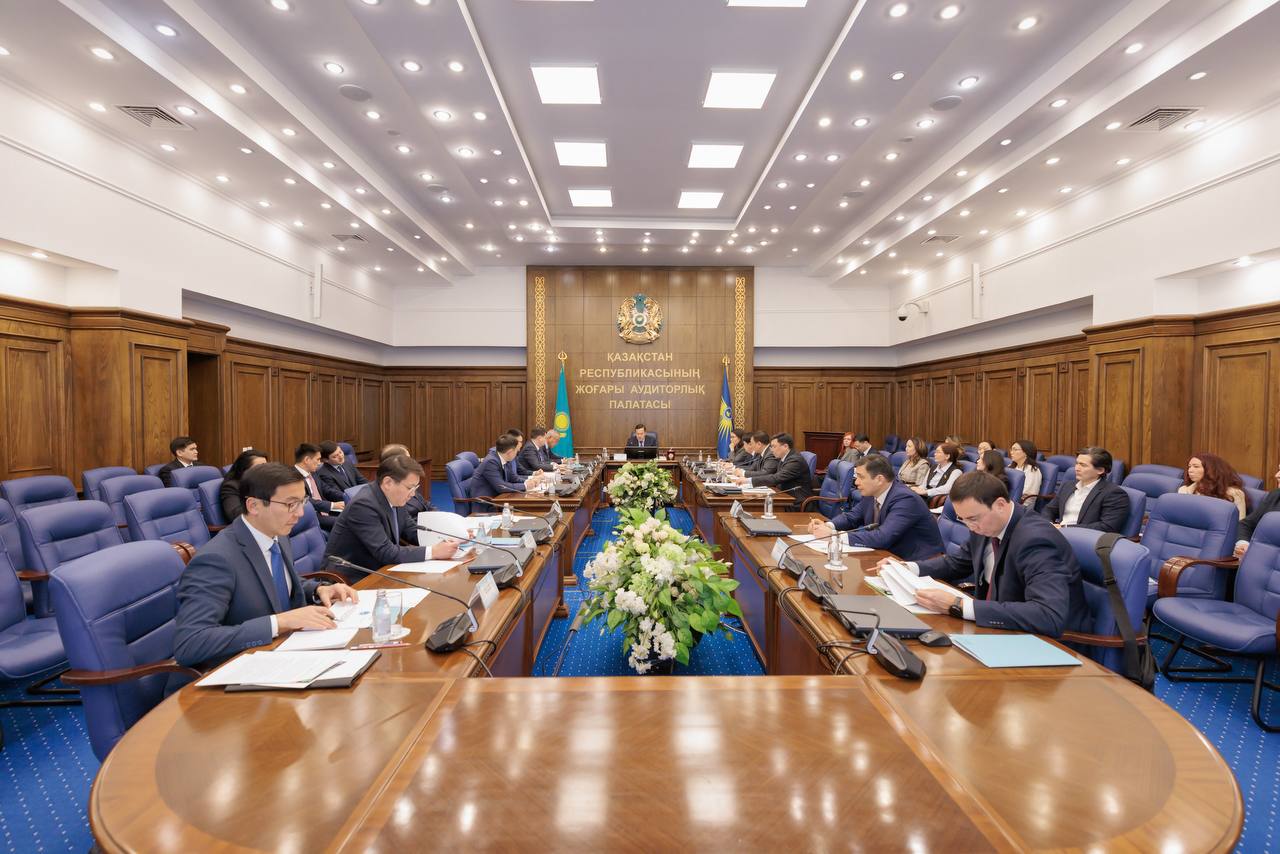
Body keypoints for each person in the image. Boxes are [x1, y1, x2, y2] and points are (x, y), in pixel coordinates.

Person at [173, 463, 358, 670]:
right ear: (253, 506)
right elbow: (190, 643)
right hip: (238, 669)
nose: (300, 513)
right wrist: (279, 622)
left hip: (287, 652)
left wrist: (318, 590)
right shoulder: (216, 560)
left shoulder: (277, 534)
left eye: (302, 502)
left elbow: (275, 582)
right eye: (291, 504)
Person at [875, 471, 1090, 638]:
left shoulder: (1036, 540)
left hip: (1044, 644)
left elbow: (1048, 615)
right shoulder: (986, 525)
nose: (970, 527)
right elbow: (957, 563)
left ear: (1000, 505)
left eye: (973, 519)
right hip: (998, 629)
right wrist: (908, 568)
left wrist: (959, 606)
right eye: (963, 520)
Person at [324, 454, 460, 578]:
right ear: (388, 483)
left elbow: (411, 530)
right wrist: (433, 552)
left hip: (380, 569)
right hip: (351, 578)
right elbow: (385, 551)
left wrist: (449, 537)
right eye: (410, 488)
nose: (413, 494)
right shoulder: (363, 505)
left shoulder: (394, 497)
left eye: (415, 488)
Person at [808, 454, 942, 560]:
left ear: (879, 479)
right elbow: (852, 517)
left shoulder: (906, 499)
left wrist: (834, 536)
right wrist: (828, 526)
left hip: (916, 564)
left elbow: (882, 537)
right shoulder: (872, 493)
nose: (856, 482)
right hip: (886, 556)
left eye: (861, 477)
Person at [1040, 447, 1129, 533]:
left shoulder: (1113, 493)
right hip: (1057, 533)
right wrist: (1049, 524)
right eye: (1077, 463)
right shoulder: (1068, 486)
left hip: (1084, 538)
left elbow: (1107, 526)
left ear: (1100, 470)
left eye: (1083, 465)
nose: (1076, 468)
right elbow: (1049, 509)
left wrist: (1065, 528)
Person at [470, 434, 546, 511]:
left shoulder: (505, 458)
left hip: (499, 499)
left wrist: (531, 480)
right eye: (516, 451)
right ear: (510, 452)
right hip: (486, 504)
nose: (517, 452)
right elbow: (501, 486)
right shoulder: (491, 462)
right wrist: (525, 485)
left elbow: (513, 478)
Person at [736, 433, 812, 509]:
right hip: (784, 496)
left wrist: (748, 480)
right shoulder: (784, 458)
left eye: (774, 446)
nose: (771, 450)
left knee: (752, 506)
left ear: (785, 446)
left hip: (795, 502)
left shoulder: (795, 461)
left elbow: (776, 478)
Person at [1179, 453, 1247, 519]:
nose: (1190, 470)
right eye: (1189, 466)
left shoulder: (1234, 493)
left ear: (1211, 469)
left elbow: (1239, 522)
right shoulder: (1184, 490)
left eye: (1196, 466)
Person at [1235, 462, 1280, 557]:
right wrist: (1244, 544)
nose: (1277, 475)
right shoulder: (1276, 495)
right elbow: (1246, 524)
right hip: (1261, 559)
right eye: (1279, 470)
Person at [295, 443, 343, 531]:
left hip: (325, 510)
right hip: (312, 515)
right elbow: (306, 500)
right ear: (307, 460)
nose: (320, 463)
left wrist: (345, 497)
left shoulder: (313, 472)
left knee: (354, 513)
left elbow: (327, 490)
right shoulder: (292, 477)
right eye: (317, 459)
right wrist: (333, 505)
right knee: (345, 521)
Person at [380, 443, 437, 516]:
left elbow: (426, 504)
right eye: (408, 460)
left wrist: (437, 515)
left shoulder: (407, 481)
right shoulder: (394, 496)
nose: (412, 462)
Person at [219, 448, 268, 522]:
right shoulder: (231, 487)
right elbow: (236, 515)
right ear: (244, 470)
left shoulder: (263, 482)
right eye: (259, 467)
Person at [1009, 439, 1043, 509]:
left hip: (1022, 504)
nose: (1011, 452)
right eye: (1011, 449)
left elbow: (1026, 492)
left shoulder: (1032, 470)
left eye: (1015, 450)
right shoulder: (1011, 466)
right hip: (1009, 499)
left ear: (1026, 452)